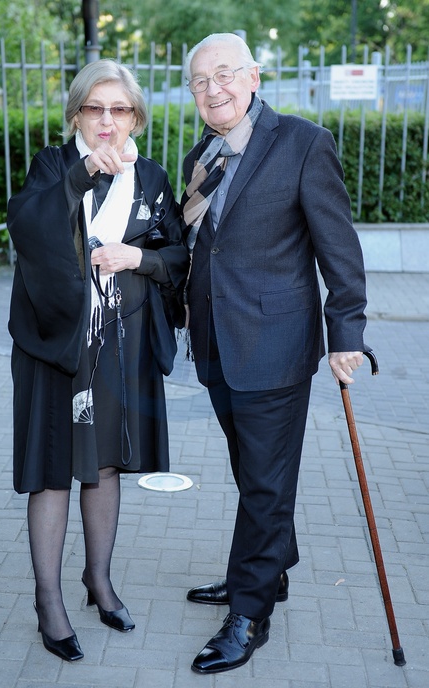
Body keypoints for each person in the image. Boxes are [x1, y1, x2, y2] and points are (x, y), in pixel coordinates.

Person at [180, 33, 370, 675]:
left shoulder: (303, 142)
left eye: (225, 74)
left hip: (276, 344)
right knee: (253, 470)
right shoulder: (200, 155)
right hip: (215, 341)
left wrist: (347, 331)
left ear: (254, 76)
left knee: (265, 481)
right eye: (201, 81)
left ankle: (250, 610)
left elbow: (338, 246)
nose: (214, 90)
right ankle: (268, 569)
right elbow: (200, 246)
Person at [7, 59, 189, 662]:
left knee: (105, 464)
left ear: (135, 116)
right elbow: (27, 224)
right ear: (77, 115)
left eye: (119, 109)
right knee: (53, 468)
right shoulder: (53, 165)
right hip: (56, 345)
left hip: (121, 344)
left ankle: (99, 580)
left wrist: (139, 260)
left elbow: (178, 253)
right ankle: (48, 600)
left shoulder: (152, 177)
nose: (107, 120)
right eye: (94, 108)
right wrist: (85, 172)